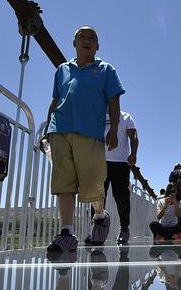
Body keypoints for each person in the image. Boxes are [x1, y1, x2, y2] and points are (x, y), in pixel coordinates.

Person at [43, 26, 125, 254]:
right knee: (64, 182)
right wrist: (46, 129)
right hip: (59, 129)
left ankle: (100, 215)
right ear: (74, 43)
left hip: (90, 133)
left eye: (92, 38)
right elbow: (55, 100)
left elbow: (114, 102)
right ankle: (66, 233)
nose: (87, 40)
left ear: (97, 46)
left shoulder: (106, 69)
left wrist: (114, 129)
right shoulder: (62, 69)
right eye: (82, 37)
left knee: (93, 183)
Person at [88, 110, 138, 246]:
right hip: (99, 161)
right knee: (96, 196)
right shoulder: (97, 114)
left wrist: (133, 153)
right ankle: (96, 228)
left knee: (121, 197)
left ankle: (124, 228)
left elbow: (133, 137)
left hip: (120, 162)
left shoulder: (126, 116)